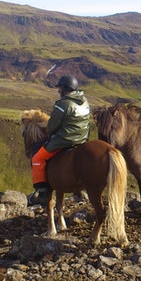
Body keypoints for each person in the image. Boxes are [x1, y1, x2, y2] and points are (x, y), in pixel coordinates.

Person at [28, 75, 91, 206]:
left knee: (37, 158)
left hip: (65, 140)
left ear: (64, 89)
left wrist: (51, 135)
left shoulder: (62, 104)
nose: (58, 91)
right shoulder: (84, 100)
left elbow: (52, 126)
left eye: (59, 88)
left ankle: (43, 192)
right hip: (82, 139)